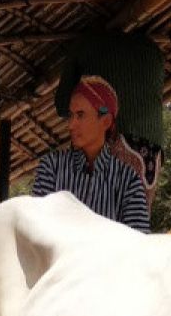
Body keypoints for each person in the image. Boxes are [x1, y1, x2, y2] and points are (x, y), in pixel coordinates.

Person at [33, 75, 150, 232]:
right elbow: (34, 230)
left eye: (80, 115)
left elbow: (138, 244)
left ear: (105, 122)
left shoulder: (128, 181)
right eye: (71, 115)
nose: (71, 124)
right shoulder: (51, 167)